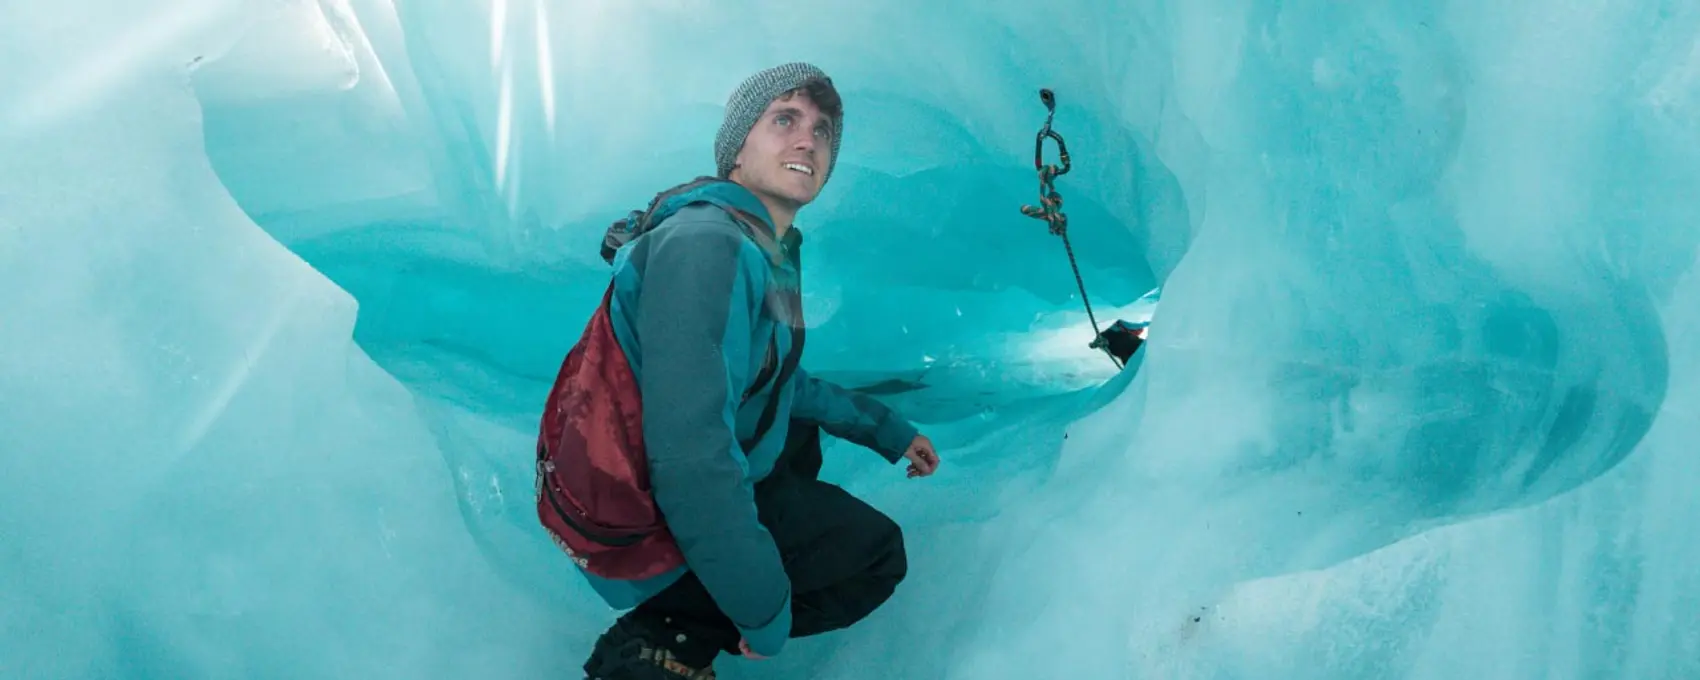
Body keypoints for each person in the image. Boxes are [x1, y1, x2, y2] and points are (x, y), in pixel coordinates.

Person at [579, 62, 941, 680]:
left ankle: (697, 600)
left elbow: (771, 380)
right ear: (737, 147)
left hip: (667, 480)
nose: (809, 140)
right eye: (784, 120)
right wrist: (761, 613)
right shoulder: (707, 247)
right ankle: (660, 636)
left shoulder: (760, 245)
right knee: (876, 557)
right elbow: (694, 462)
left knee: (797, 438)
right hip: (643, 509)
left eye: (824, 130)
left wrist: (884, 428)